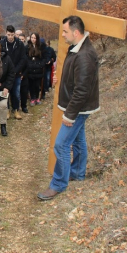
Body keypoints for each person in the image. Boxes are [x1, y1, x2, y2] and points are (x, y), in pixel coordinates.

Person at [37, 16, 99, 201]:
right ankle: (77, 173)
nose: (62, 35)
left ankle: (58, 184)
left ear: (76, 32)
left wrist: (70, 116)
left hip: (78, 109)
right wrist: (59, 80)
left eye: (65, 31)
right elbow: (76, 78)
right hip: (77, 106)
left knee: (61, 144)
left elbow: (82, 90)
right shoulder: (78, 48)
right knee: (78, 141)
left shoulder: (85, 55)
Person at [0, 25, 27, 120]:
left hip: (16, 72)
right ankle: (6, 110)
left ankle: (16, 110)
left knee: (16, 92)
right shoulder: (2, 43)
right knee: (5, 92)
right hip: (5, 74)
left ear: (14, 34)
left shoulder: (19, 44)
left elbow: (23, 59)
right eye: (8, 35)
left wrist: (16, 70)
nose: (10, 37)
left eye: (12, 35)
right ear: (5, 33)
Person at [26, 32, 46, 106]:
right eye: (32, 38)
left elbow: (44, 57)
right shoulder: (27, 47)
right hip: (30, 69)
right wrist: (30, 65)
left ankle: (37, 97)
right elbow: (26, 58)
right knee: (31, 84)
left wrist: (40, 64)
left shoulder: (41, 46)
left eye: (35, 38)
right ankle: (32, 98)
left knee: (37, 85)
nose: (33, 39)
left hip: (38, 69)